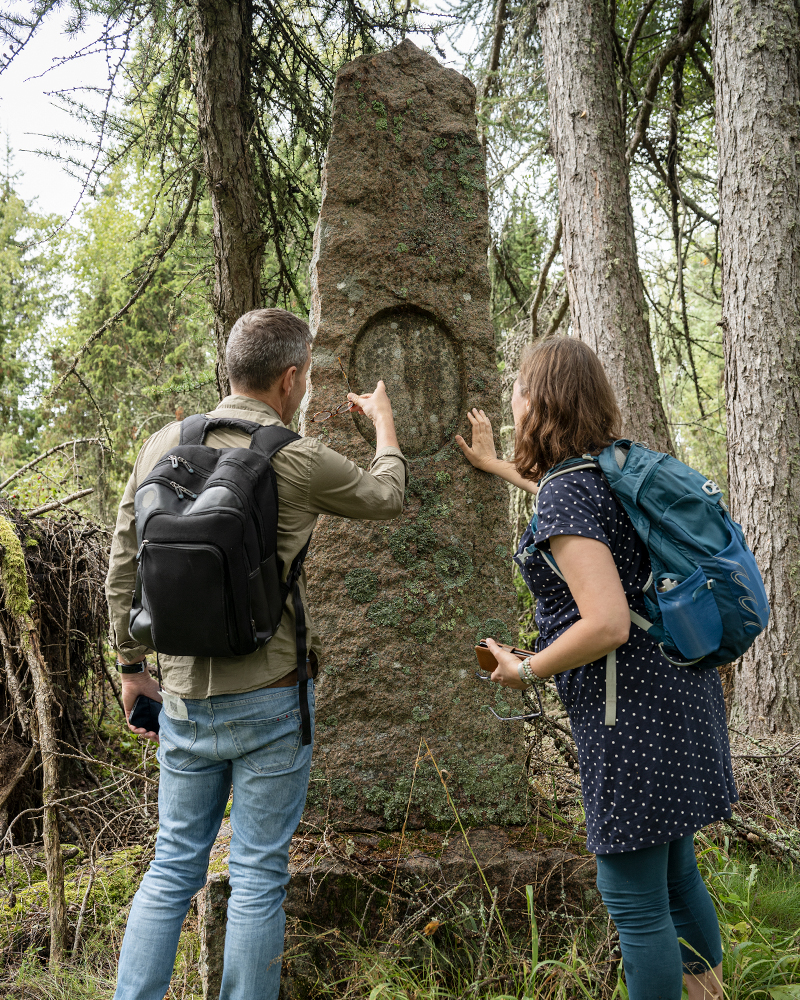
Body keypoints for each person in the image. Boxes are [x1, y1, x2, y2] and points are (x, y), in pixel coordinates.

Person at [106, 308, 407, 1000]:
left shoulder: (161, 447)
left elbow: (123, 566)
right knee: (258, 875)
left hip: (180, 696)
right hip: (271, 694)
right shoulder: (294, 458)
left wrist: (130, 667)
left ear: (231, 365)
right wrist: (384, 426)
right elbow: (387, 496)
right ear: (292, 378)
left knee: (172, 866)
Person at [456, 336, 735, 1000]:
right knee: (675, 877)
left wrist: (528, 671)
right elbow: (575, 519)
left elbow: (606, 622)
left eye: (521, 388)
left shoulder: (568, 498)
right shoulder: (612, 468)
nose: (515, 399)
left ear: (540, 401)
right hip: (681, 690)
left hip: (630, 716)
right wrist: (499, 467)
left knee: (635, 902)